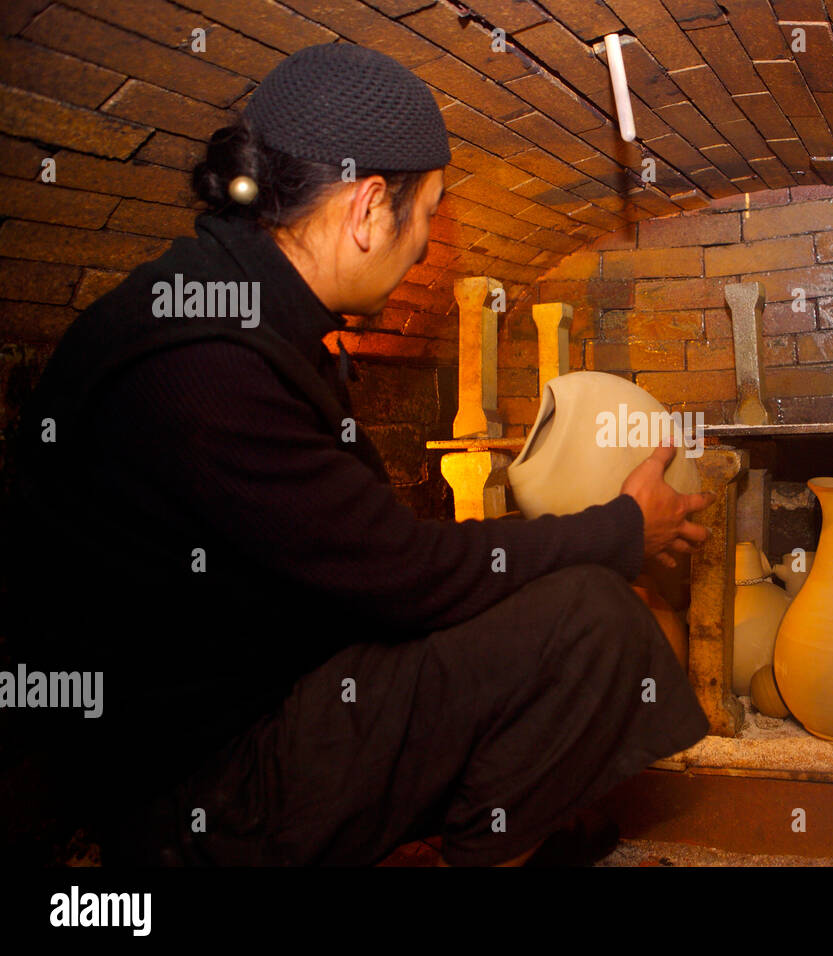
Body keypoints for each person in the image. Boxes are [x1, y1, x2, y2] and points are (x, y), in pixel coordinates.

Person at [4, 43, 713, 866]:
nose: (425, 246)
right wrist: (625, 527)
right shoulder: (204, 367)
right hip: (198, 796)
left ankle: (508, 821)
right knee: (591, 620)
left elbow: (371, 561)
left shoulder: (228, 306)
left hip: (232, 710)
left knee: (527, 620)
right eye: (430, 215)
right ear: (369, 209)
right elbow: (409, 576)